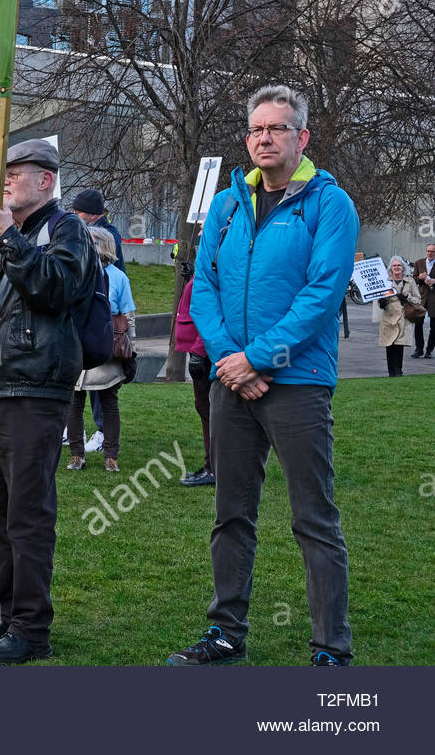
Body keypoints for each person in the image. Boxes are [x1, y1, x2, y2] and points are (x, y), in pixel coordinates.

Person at [168, 84, 359, 667]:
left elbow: (323, 294)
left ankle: (330, 646)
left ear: (302, 137)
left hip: (296, 384)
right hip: (234, 382)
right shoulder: (226, 206)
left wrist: (262, 358)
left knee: (314, 519)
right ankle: (226, 631)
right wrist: (233, 360)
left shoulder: (331, 204)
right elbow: (206, 290)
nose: (265, 137)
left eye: (278, 128)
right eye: (256, 129)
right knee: (231, 514)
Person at [0, 138, 96, 665]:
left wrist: (9, 237)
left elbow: (55, 287)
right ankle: (6, 614)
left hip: (34, 386)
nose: (4, 180)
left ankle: (32, 627)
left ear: (47, 180)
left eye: (15, 171)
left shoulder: (67, 229)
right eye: (1, 172)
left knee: (26, 513)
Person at [65, 226, 135, 474]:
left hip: (106, 349)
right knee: (74, 402)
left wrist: (131, 351)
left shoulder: (118, 277)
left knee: (109, 404)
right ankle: (76, 455)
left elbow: (128, 315)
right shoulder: (76, 272)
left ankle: (110, 456)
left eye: (92, 241)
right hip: (77, 347)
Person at [174, 233, 215, 486]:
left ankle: (215, 467)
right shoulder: (204, 273)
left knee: (209, 409)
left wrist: (199, 351)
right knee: (205, 409)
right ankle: (213, 464)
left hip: (205, 351)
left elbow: (207, 314)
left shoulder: (211, 275)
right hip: (199, 349)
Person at [378, 256, 419, 377]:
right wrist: (381, 303)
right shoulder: (385, 281)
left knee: (399, 345)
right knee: (389, 344)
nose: (396, 268)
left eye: (399, 265)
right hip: (388, 317)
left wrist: (407, 298)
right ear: (391, 268)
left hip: (403, 317)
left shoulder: (410, 281)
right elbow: (378, 298)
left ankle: (398, 371)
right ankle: (391, 371)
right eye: (394, 265)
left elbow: (418, 299)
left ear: (403, 268)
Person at [413, 243, 435, 358]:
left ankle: (429, 350)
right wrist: (420, 278)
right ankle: (419, 349)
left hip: (434, 298)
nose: (430, 253)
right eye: (428, 251)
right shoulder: (419, 263)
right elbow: (414, 279)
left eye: (432, 251)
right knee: (418, 324)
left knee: (434, 327)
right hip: (421, 298)